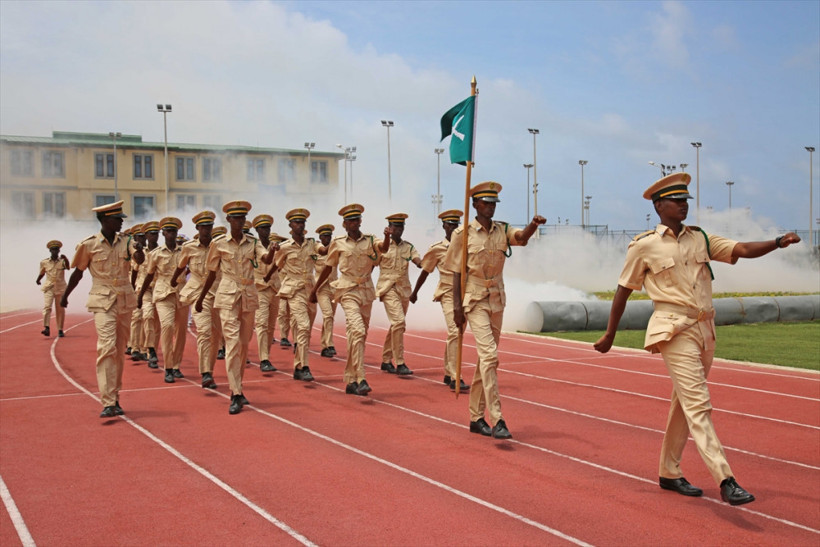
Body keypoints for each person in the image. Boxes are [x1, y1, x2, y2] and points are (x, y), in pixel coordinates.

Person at [593, 172, 801, 506]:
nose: (683, 206)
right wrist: (610, 333)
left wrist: (777, 242)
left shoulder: (700, 238)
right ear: (659, 205)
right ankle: (726, 479)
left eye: (686, 200)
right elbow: (623, 290)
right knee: (699, 405)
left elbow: (742, 249)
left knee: (683, 404)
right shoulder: (644, 245)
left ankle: (669, 471)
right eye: (676, 201)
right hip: (672, 330)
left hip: (704, 330)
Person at [444, 182, 545, 439]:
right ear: (475, 205)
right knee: (490, 357)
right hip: (474, 299)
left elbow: (520, 239)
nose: (490, 207)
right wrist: (457, 306)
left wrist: (533, 226)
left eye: (493, 203)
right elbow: (456, 271)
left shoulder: (503, 229)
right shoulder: (462, 235)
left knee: (485, 361)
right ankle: (497, 418)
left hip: (497, 299)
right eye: (485, 203)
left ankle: (476, 418)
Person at [61, 200, 144, 418]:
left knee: (118, 351)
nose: (121, 222)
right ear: (106, 220)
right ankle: (107, 401)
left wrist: (139, 252)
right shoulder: (88, 245)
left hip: (124, 301)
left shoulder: (127, 241)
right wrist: (65, 296)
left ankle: (115, 396)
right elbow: (78, 272)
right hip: (102, 300)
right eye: (117, 219)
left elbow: (137, 257)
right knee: (106, 347)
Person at [195, 201, 276, 415]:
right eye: (236, 218)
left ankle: (238, 385)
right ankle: (236, 392)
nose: (239, 221)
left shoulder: (253, 242)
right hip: (228, 296)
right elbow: (212, 272)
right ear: (229, 220)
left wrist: (273, 251)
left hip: (248, 296)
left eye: (242, 218)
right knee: (231, 344)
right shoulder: (219, 244)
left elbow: (265, 259)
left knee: (242, 344)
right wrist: (201, 298)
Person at [310, 204, 391, 396]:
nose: (354, 223)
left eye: (357, 220)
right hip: (347, 290)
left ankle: (351, 379)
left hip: (366, 290)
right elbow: (328, 267)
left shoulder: (370, 239)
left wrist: (387, 236)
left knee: (359, 335)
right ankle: (361, 377)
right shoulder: (338, 242)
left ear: (360, 221)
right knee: (357, 330)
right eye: (350, 221)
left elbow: (384, 248)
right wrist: (314, 290)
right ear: (344, 224)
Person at [410, 209, 468, 391]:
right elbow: (426, 270)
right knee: (455, 330)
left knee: (457, 333)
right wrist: (415, 292)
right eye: (448, 224)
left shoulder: (466, 245)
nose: (452, 228)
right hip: (448, 293)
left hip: (466, 294)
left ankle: (447, 371)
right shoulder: (437, 248)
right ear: (443, 226)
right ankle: (455, 376)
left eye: (455, 225)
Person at [173, 211, 222, 389]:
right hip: (197, 293)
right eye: (203, 227)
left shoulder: (220, 246)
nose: (206, 230)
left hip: (217, 292)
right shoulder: (189, 247)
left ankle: (210, 367)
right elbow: (181, 266)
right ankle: (206, 373)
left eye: (209, 227)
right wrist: (173, 280)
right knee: (204, 331)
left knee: (217, 335)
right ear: (197, 228)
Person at [138, 217, 188, 383]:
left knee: (180, 332)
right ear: (163, 233)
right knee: (166, 326)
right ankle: (168, 367)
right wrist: (139, 296)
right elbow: (149, 275)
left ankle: (176, 365)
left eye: (174, 231)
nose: (171, 234)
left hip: (181, 293)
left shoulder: (184, 252)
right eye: (168, 231)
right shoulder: (155, 254)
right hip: (163, 293)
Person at [274, 208, 320, 382]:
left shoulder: (311, 244)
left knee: (305, 330)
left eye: (302, 222)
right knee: (304, 326)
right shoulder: (285, 248)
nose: (300, 225)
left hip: (310, 290)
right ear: (290, 225)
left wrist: (329, 248)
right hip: (294, 291)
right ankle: (305, 366)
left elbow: (322, 251)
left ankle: (298, 366)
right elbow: (276, 266)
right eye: (297, 222)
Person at [376, 213, 421, 376]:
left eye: (401, 227)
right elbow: (371, 263)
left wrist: (427, 262)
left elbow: (418, 261)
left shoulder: (408, 247)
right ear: (389, 227)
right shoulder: (382, 246)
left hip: (403, 290)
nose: (399, 230)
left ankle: (386, 360)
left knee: (396, 325)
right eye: (396, 226)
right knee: (399, 322)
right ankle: (400, 362)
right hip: (387, 289)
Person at [251, 213, 279, 373]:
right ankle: (264, 359)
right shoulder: (253, 246)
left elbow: (278, 263)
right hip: (260, 288)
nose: (266, 231)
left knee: (270, 325)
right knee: (261, 323)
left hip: (274, 288)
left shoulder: (275, 245)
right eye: (262, 228)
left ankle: (266, 355)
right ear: (257, 229)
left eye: (268, 227)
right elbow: (266, 260)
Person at [135, 220, 161, 367]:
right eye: (151, 234)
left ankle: (151, 349)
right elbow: (135, 270)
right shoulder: (141, 254)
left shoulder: (162, 252)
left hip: (160, 290)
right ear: (146, 236)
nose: (154, 236)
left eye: (156, 234)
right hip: (144, 290)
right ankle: (150, 350)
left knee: (157, 324)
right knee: (148, 316)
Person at [36, 240, 69, 337]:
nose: (55, 251)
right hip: (49, 287)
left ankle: (60, 329)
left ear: (59, 251)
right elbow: (42, 273)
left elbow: (68, 267)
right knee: (47, 307)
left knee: (60, 309)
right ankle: (46, 327)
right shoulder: (44, 262)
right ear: (50, 251)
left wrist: (66, 259)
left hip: (60, 288)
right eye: (53, 249)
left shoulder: (62, 261)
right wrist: (38, 280)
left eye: (56, 249)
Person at [314, 224, 338, 358]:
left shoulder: (335, 251)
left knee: (330, 317)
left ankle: (324, 345)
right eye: (324, 236)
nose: (327, 238)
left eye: (329, 236)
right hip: (321, 287)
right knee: (328, 314)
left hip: (334, 287)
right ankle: (329, 344)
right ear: (320, 237)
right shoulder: (315, 251)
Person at [125, 224, 146, 356]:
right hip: (134, 289)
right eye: (138, 237)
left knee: (146, 319)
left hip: (148, 289)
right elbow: (131, 272)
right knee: (134, 318)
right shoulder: (130, 254)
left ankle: (143, 348)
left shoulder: (150, 252)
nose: (141, 240)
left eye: (143, 237)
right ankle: (133, 346)